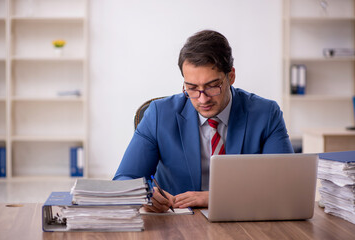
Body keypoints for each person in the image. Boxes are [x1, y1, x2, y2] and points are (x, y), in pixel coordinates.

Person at [113, 30, 294, 212]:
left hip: (245, 219)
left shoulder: (266, 114)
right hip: (178, 223)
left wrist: (215, 197)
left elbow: (286, 184)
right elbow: (124, 179)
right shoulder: (159, 114)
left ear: (230, 76)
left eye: (212, 86)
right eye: (192, 88)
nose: (202, 99)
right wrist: (146, 194)